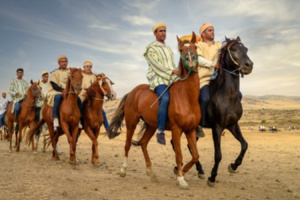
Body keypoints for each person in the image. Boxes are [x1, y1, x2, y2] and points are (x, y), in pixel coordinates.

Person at [196, 23, 242, 136]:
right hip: (205, 79)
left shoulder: (218, 46)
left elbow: (226, 55)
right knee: (205, 97)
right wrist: (213, 64)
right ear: (203, 33)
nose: (213, 32)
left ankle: (225, 121)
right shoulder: (199, 45)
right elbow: (199, 60)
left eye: (213, 30)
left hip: (219, 79)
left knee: (239, 95)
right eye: (210, 30)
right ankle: (199, 124)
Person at [144, 22, 179, 145]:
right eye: (160, 31)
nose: (163, 33)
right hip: (159, 78)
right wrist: (172, 71)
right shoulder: (151, 49)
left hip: (172, 77)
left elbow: (173, 65)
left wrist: (178, 72)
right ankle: (160, 130)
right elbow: (156, 66)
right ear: (155, 33)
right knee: (164, 98)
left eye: (164, 31)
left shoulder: (169, 48)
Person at [47, 55, 82, 130]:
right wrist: (62, 90)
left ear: (67, 62)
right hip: (58, 91)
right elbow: (54, 85)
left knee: (78, 99)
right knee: (58, 98)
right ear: (59, 63)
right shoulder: (55, 72)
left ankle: (79, 119)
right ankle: (55, 117)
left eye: (65, 61)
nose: (64, 63)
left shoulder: (70, 72)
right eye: (62, 62)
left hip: (69, 91)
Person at [78, 60, 112, 132]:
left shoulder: (94, 76)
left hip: (92, 98)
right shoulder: (80, 75)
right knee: (80, 106)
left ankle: (108, 130)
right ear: (84, 67)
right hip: (82, 95)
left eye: (90, 67)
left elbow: (98, 86)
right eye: (87, 66)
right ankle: (79, 123)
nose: (89, 68)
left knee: (103, 112)